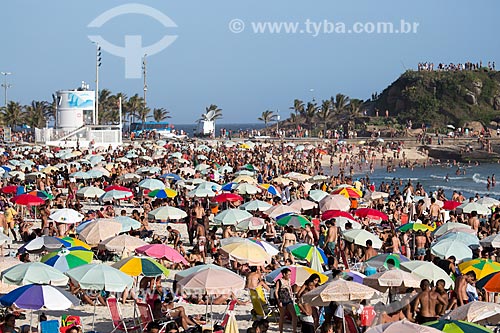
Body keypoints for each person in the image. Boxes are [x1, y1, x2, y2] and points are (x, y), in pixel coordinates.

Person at [275, 268, 297, 333]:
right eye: (288, 274)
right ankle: (281, 331)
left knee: (294, 315)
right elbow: (276, 291)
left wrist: (292, 297)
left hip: (288, 299)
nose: (289, 276)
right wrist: (278, 300)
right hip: (282, 299)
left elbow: (290, 289)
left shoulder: (289, 280)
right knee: (282, 316)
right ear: (284, 274)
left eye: (290, 274)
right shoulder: (279, 281)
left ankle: (294, 330)